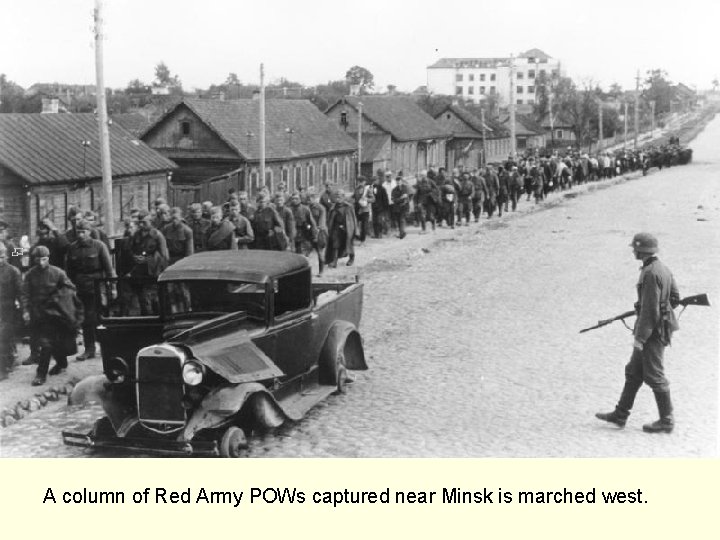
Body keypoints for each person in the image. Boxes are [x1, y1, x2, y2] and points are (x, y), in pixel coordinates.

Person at [596, 233, 680, 434]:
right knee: (634, 372)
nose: (633, 251)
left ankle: (666, 420)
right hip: (658, 327)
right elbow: (675, 298)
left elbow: (650, 309)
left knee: (655, 375)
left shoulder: (650, 273)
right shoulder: (662, 269)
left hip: (652, 332)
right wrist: (662, 307)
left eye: (635, 248)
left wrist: (640, 338)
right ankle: (620, 414)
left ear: (642, 250)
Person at [23, 246, 83, 386]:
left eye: (44, 259)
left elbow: (70, 288)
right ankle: (61, 363)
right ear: (34, 259)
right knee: (47, 342)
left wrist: (57, 299)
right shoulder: (30, 275)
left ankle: (40, 374)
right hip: (39, 314)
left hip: (56, 314)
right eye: (38, 259)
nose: (41, 263)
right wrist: (25, 311)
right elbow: (25, 294)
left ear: (48, 258)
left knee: (48, 343)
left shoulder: (58, 273)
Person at [65, 219, 115, 360]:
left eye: (83, 232)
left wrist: (112, 288)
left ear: (89, 232)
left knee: (98, 318)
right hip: (80, 289)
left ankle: (107, 348)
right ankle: (89, 349)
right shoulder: (72, 248)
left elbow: (109, 269)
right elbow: (68, 271)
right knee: (85, 319)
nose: (80, 235)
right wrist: (70, 288)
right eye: (78, 232)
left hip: (97, 288)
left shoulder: (99, 246)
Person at [0, 244, 22, 380]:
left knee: (6, 336)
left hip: (8, 307)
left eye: (1, 257)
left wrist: (22, 307)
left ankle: (6, 365)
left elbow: (19, 255)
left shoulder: (12, 245)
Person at [325, 189, 357, 268]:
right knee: (335, 244)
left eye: (340, 197)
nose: (338, 199)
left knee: (349, 244)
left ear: (343, 197)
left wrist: (354, 230)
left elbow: (353, 219)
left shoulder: (348, 207)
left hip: (347, 228)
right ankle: (334, 261)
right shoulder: (333, 207)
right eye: (337, 197)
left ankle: (351, 258)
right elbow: (330, 218)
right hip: (336, 228)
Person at [352, 176, 373, 245]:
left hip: (365, 210)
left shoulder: (367, 189)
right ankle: (356, 238)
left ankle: (362, 240)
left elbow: (373, 199)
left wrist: (367, 199)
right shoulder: (356, 189)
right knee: (355, 224)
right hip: (357, 209)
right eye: (359, 181)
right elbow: (353, 197)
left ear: (364, 182)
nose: (360, 183)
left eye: (362, 181)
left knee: (364, 226)